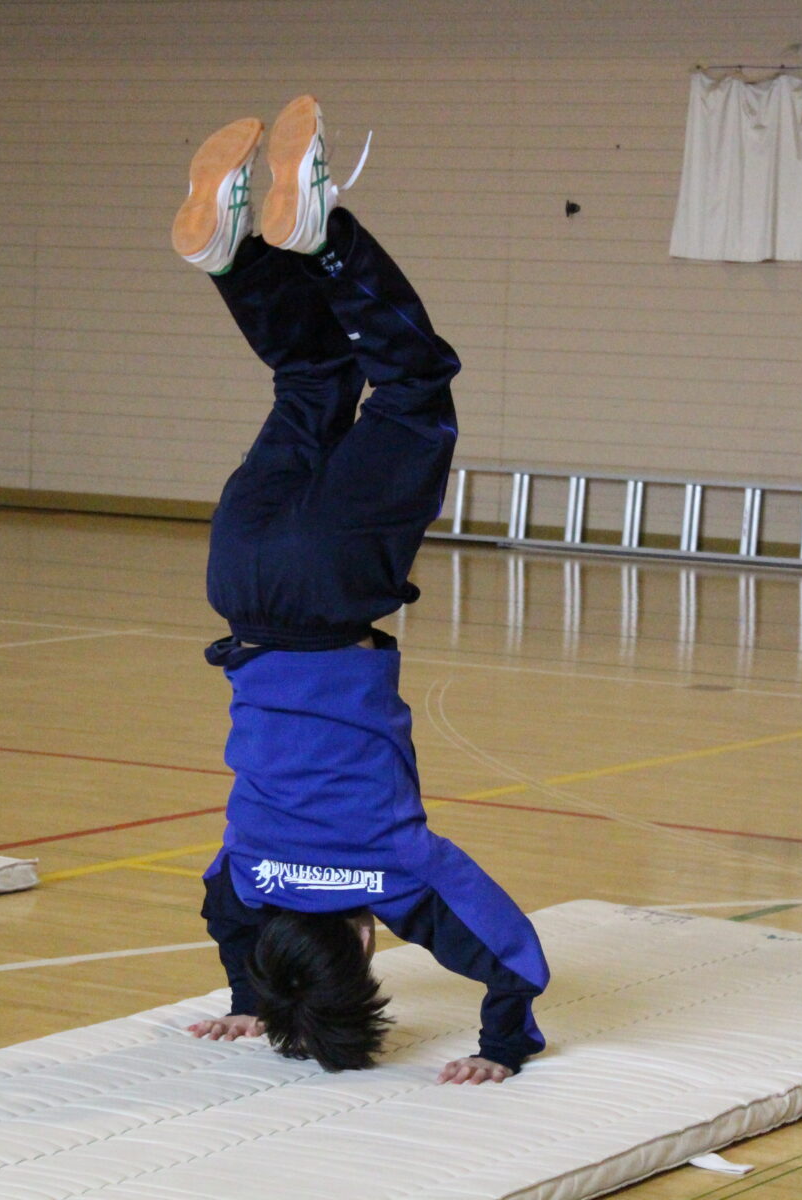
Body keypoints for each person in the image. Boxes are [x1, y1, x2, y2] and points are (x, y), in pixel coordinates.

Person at [171, 96, 549, 1084]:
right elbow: (218, 908)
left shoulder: (392, 869)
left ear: (368, 944)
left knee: (414, 381)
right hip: (239, 576)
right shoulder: (250, 871)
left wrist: (503, 1044)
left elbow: (508, 948)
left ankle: (322, 234)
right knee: (313, 376)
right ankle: (234, 258)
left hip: (333, 588)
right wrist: (253, 998)